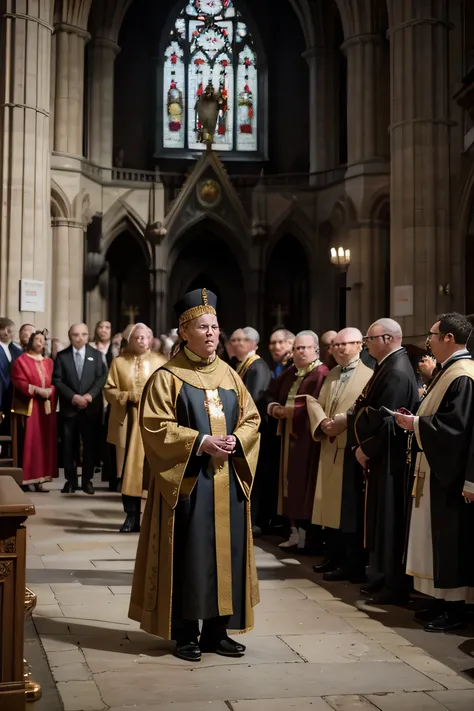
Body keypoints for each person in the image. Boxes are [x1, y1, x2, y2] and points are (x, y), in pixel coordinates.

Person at [129, 288, 260, 662]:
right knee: (190, 554)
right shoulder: (167, 378)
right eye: (203, 327)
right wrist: (201, 442)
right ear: (184, 331)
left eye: (215, 326)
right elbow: (154, 426)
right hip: (188, 483)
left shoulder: (231, 376)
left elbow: (252, 419)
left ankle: (218, 632)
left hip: (227, 481)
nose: (212, 334)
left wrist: (236, 439)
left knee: (227, 554)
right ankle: (185, 632)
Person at [395, 313, 474, 632]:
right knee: (435, 538)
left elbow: (458, 429)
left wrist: (415, 424)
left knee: (450, 539)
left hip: (450, 473)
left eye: (432, 334)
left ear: (448, 339)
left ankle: (455, 607)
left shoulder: (463, 374)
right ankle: (440, 600)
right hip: (434, 465)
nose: (427, 340)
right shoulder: (450, 370)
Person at [352, 318, 419, 604]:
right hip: (383, 457)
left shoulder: (397, 371)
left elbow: (387, 421)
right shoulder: (390, 365)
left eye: (370, 339)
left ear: (388, 339)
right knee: (381, 517)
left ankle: (394, 585)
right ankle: (382, 577)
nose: (366, 345)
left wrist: (366, 448)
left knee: (390, 519)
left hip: (390, 458)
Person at [306, 328, 373, 581]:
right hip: (329, 443)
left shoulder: (369, 375)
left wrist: (342, 422)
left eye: (346, 344)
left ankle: (350, 562)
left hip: (350, 447)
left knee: (348, 509)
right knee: (328, 508)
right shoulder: (332, 373)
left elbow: (364, 409)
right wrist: (322, 422)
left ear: (360, 345)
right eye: (337, 345)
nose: (341, 349)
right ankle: (332, 555)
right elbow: (317, 403)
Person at [267, 330, 328, 550]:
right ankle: (294, 532)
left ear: (315, 350)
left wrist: (290, 412)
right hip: (288, 438)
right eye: (297, 348)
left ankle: (308, 537)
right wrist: (275, 409)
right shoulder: (292, 372)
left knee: (305, 486)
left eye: (305, 348)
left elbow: (317, 403)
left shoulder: (320, 372)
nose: (300, 352)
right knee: (288, 484)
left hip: (308, 439)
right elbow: (273, 394)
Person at [104, 323, 165, 532]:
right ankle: (131, 517)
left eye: (144, 337)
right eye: (136, 337)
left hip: (152, 423)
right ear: (129, 340)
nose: (140, 340)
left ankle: (153, 517)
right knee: (128, 471)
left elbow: (167, 390)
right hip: (128, 421)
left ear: (151, 339)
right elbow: (109, 389)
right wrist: (127, 396)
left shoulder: (160, 362)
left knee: (152, 470)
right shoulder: (119, 362)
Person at [53, 323, 107, 494]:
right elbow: (57, 380)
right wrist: (73, 397)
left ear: (88, 335)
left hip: (90, 408)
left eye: (83, 334)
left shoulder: (96, 356)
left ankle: (87, 481)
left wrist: (89, 396)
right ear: (70, 336)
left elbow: (102, 378)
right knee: (69, 446)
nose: (79, 338)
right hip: (69, 408)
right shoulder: (62, 356)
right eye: (76, 334)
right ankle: (70, 481)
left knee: (90, 445)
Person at [10, 331, 57, 492]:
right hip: (30, 408)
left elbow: (55, 379)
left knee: (44, 443)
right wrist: (36, 390)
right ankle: (27, 478)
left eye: (42, 340)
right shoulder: (21, 361)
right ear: (30, 341)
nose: (39, 343)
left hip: (46, 407)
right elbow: (18, 380)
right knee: (31, 442)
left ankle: (42, 478)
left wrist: (50, 390)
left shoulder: (49, 362)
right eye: (36, 339)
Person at [231, 327, 271, 413]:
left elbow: (255, 398)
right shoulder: (237, 363)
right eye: (234, 340)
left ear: (254, 344)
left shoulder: (258, 367)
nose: (239, 343)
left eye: (245, 340)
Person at [0, 317, 23, 435]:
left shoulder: (15, 350)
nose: (15, 334)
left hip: (11, 401)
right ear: (7, 330)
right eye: (14, 331)